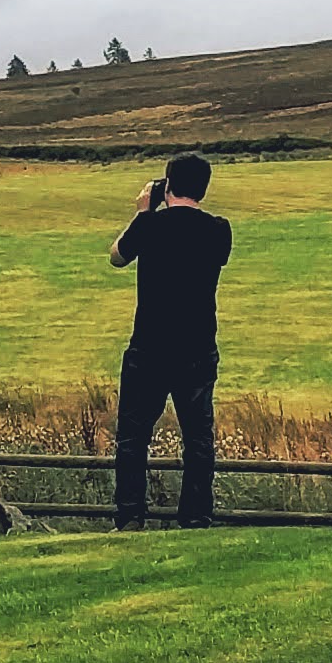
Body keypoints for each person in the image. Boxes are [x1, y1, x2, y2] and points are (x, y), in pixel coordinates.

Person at [108, 151, 231, 530]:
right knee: (197, 437)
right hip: (197, 347)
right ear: (204, 190)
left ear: (167, 185)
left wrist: (144, 211)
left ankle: (130, 515)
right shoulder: (218, 229)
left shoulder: (150, 227)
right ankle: (195, 514)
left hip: (149, 346)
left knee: (133, 437)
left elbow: (116, 257)